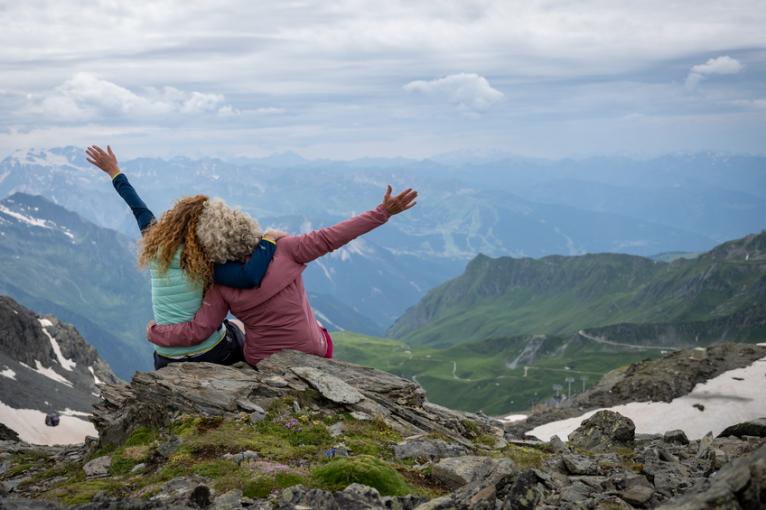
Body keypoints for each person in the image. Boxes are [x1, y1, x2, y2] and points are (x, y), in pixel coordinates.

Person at [147, 185, 417, 366]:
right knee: (319, 328)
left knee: (235, 328)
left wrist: (155, 332)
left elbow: (197, 330)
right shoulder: (287, 249)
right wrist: (382, 213)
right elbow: (335, 236)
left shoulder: (219, 284)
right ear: (245, 222)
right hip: (313, 350)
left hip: (262, 360)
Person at [85, 145, 284, 369]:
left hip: (164, 359)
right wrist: (268, 240)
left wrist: (114, 171)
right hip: (210, 355)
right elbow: (250, 277)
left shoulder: (154, 243)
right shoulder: (203, 262)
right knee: (239, 328)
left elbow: (137, 206)